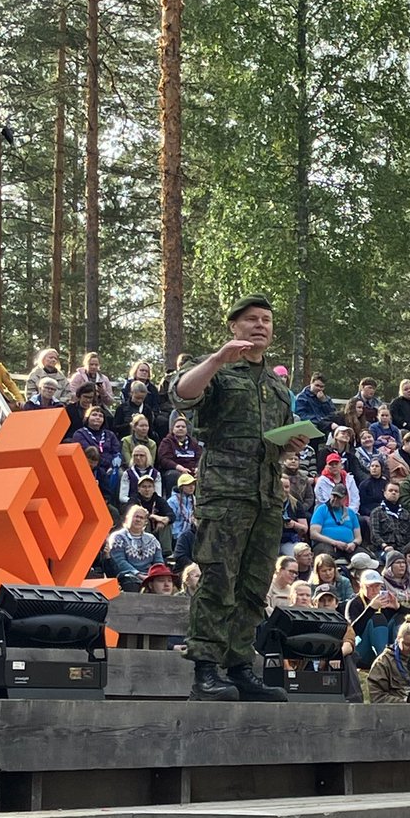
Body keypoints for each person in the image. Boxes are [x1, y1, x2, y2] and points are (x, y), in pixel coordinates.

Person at [169, 294, 308, 702]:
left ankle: (239, 667)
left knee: (252, 587)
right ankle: (206, 671)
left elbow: (276, 443)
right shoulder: (219, 372)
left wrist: (290, 445)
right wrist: (217, 359)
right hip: (225, 494)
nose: (260, 325)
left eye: (266, 319)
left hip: (265, 495)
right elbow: (182, 395)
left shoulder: (277, 386)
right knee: (217, 580)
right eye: (251, 319)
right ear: (234, 327)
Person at [106, 505, 165, 591]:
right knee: (132, 583)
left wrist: (153, 577)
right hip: (128, 576)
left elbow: (159, 563)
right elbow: (120, 562)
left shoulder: (152, 540)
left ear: (145, 522)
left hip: (149, 576)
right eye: (136, 516)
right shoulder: (118, 537)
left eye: (142, 518)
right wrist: (138, 575)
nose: (138, 520)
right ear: (127, 518)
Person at [366, 621, 410, 703]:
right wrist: (403, 702)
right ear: (398, 639)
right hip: (394, 711)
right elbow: (377, 697)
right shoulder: (383, 663)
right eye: (407, 644)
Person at [156, 416, 202, 495]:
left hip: (192, 471)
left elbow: (200, 457)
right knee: (173, 475)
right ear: (172, 429)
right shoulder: (167, 442)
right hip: (175, 471)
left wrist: (198, 468)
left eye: (183, 427)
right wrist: (180, 468)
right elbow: (164, 459)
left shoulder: (193, 442)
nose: (180, 428)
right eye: (177, 426)